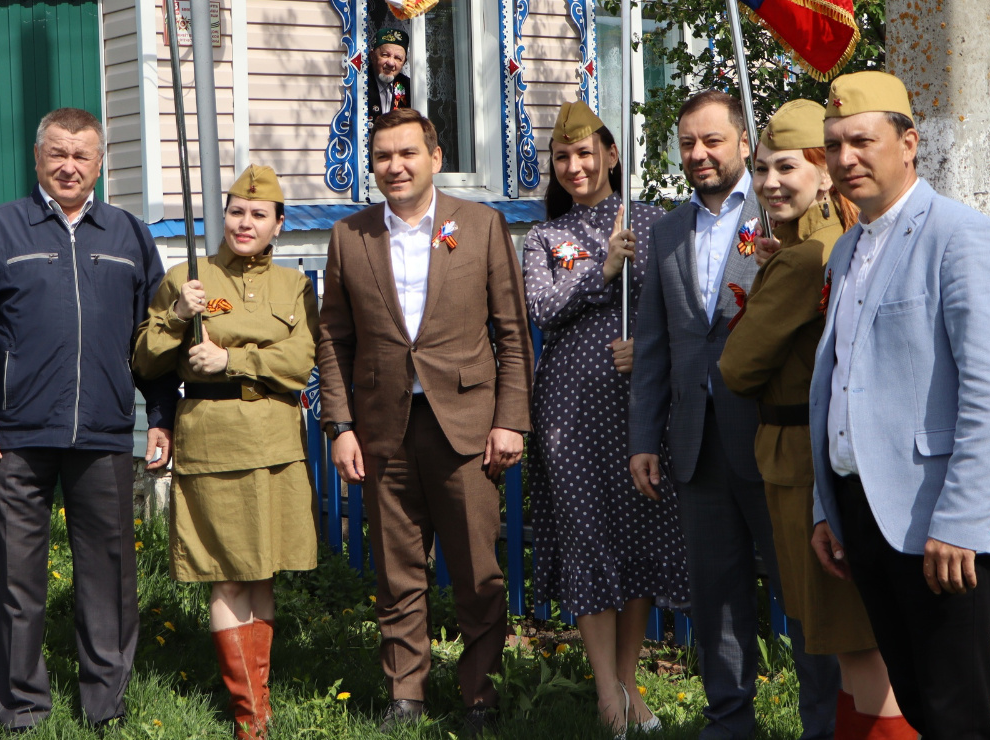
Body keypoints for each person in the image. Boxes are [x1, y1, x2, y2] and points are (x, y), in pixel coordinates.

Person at [808, 72, 990, 739]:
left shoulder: (960, 237)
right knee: (919, 702)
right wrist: (828, 507)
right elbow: (842, 385)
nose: (845, 158)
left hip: (943, 521)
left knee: (955, 714)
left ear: (908, 143)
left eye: (862, 140)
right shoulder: (849, 248)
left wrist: (961, 521)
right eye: (834, 145)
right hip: (868, 513)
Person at [0, 107, 179, 733]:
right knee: (20, 575)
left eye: (82, 155)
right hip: (15, 434)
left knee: (111, 571)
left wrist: (159, 415)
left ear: (100, 163)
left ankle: (105, 703)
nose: (69, 166)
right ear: (37, 158)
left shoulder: (127, 235)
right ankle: (20, 707)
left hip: (103, 432)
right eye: (57, 154)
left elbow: (151, 339)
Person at [628, 90, 840, 740]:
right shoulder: (665, 231)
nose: (698, 153)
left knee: (801, 593)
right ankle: (728, 720)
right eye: (687, 142)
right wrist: (645, 436)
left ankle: (823, 722)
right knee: (715, 592)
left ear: (745, 143)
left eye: (712, 140)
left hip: (776, 438)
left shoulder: (781, 209)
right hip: (695, 445)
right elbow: (657, 344)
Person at [317, 107, 533, 739]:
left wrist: (510, 420)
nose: (395, 166)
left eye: (408, 153)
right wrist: (341, 427)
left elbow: (512, 335)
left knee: (477, 571)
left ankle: (481, 698)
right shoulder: (349, 237)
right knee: (396, 572)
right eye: (383, 156)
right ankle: (405, 694)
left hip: (466, 427)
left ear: (435, 158)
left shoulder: (481, 225)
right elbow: (334, 340)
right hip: (383, 429)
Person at [716, 101, 913, 740]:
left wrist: (774, 272)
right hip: (807, 459)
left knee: (852, 644)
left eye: (786, 167)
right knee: (851, 644)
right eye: (761, 169)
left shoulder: (804, 260)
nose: (769, 183)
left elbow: (738, 367)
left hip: (804, 464)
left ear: (823, 174)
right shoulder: (819, 247)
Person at [133, 165, 319, 740]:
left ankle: (257, 703)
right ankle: (249, 719)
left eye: (258, 214)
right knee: (231, 578)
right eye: (236, 211)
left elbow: (302, 360)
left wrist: (235, 359)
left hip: (278, 440)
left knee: (264, 573)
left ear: (278, 225)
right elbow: (144, 358)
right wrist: (178, 315)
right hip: (214, 437)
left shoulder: (295, 286)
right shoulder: (189, 277)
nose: (245, 222)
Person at [523, 100, 688, 736]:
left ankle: (628, 679)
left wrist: (645, 346)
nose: (575, 166)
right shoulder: (545, 237)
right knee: (588, 535)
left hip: (638, 409)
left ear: (611, 156)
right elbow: (541, 305)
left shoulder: (652, 221)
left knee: (637, 535)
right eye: (563, 157)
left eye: (586, 153)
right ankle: (603, 693)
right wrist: (603, 272)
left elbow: (681, 312)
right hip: (569, 409)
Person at [366, 28, 412, 126]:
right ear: (373, 56)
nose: (391, 63)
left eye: (397, 58)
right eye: (385, 55)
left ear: (404, 62)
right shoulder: (361, 82)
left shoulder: (409, 87)